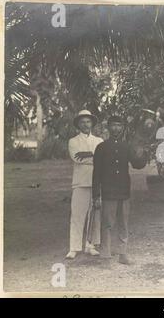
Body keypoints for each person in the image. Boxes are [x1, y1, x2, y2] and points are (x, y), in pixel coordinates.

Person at [92, 115, 147, 265]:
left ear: (122, 128)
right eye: (113, 125)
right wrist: (96, 195)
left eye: (119, 125)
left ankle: (123, 254)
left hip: (124, 191)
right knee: (107, 223)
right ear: (108, 128)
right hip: (109, 191)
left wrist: (144, 154)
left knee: (123, 223)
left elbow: (137, 164)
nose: (116, 128)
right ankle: (105, 255)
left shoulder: (126, 146)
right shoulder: (101, 148)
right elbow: (96, 174)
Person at [66, 110, 103, 259]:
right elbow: (77, 158)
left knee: (95, 214)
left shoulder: (99, 141)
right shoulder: (73, 141)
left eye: (88, 122)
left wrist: (88, 154)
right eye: (83, 122)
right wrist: (95, 156)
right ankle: (74, 247)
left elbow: (102, 159)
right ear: (78, 125)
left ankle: (91, 245)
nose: (86, 124)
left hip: (97, 182)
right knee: (77, 215)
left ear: (92, 124)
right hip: (80, 182)